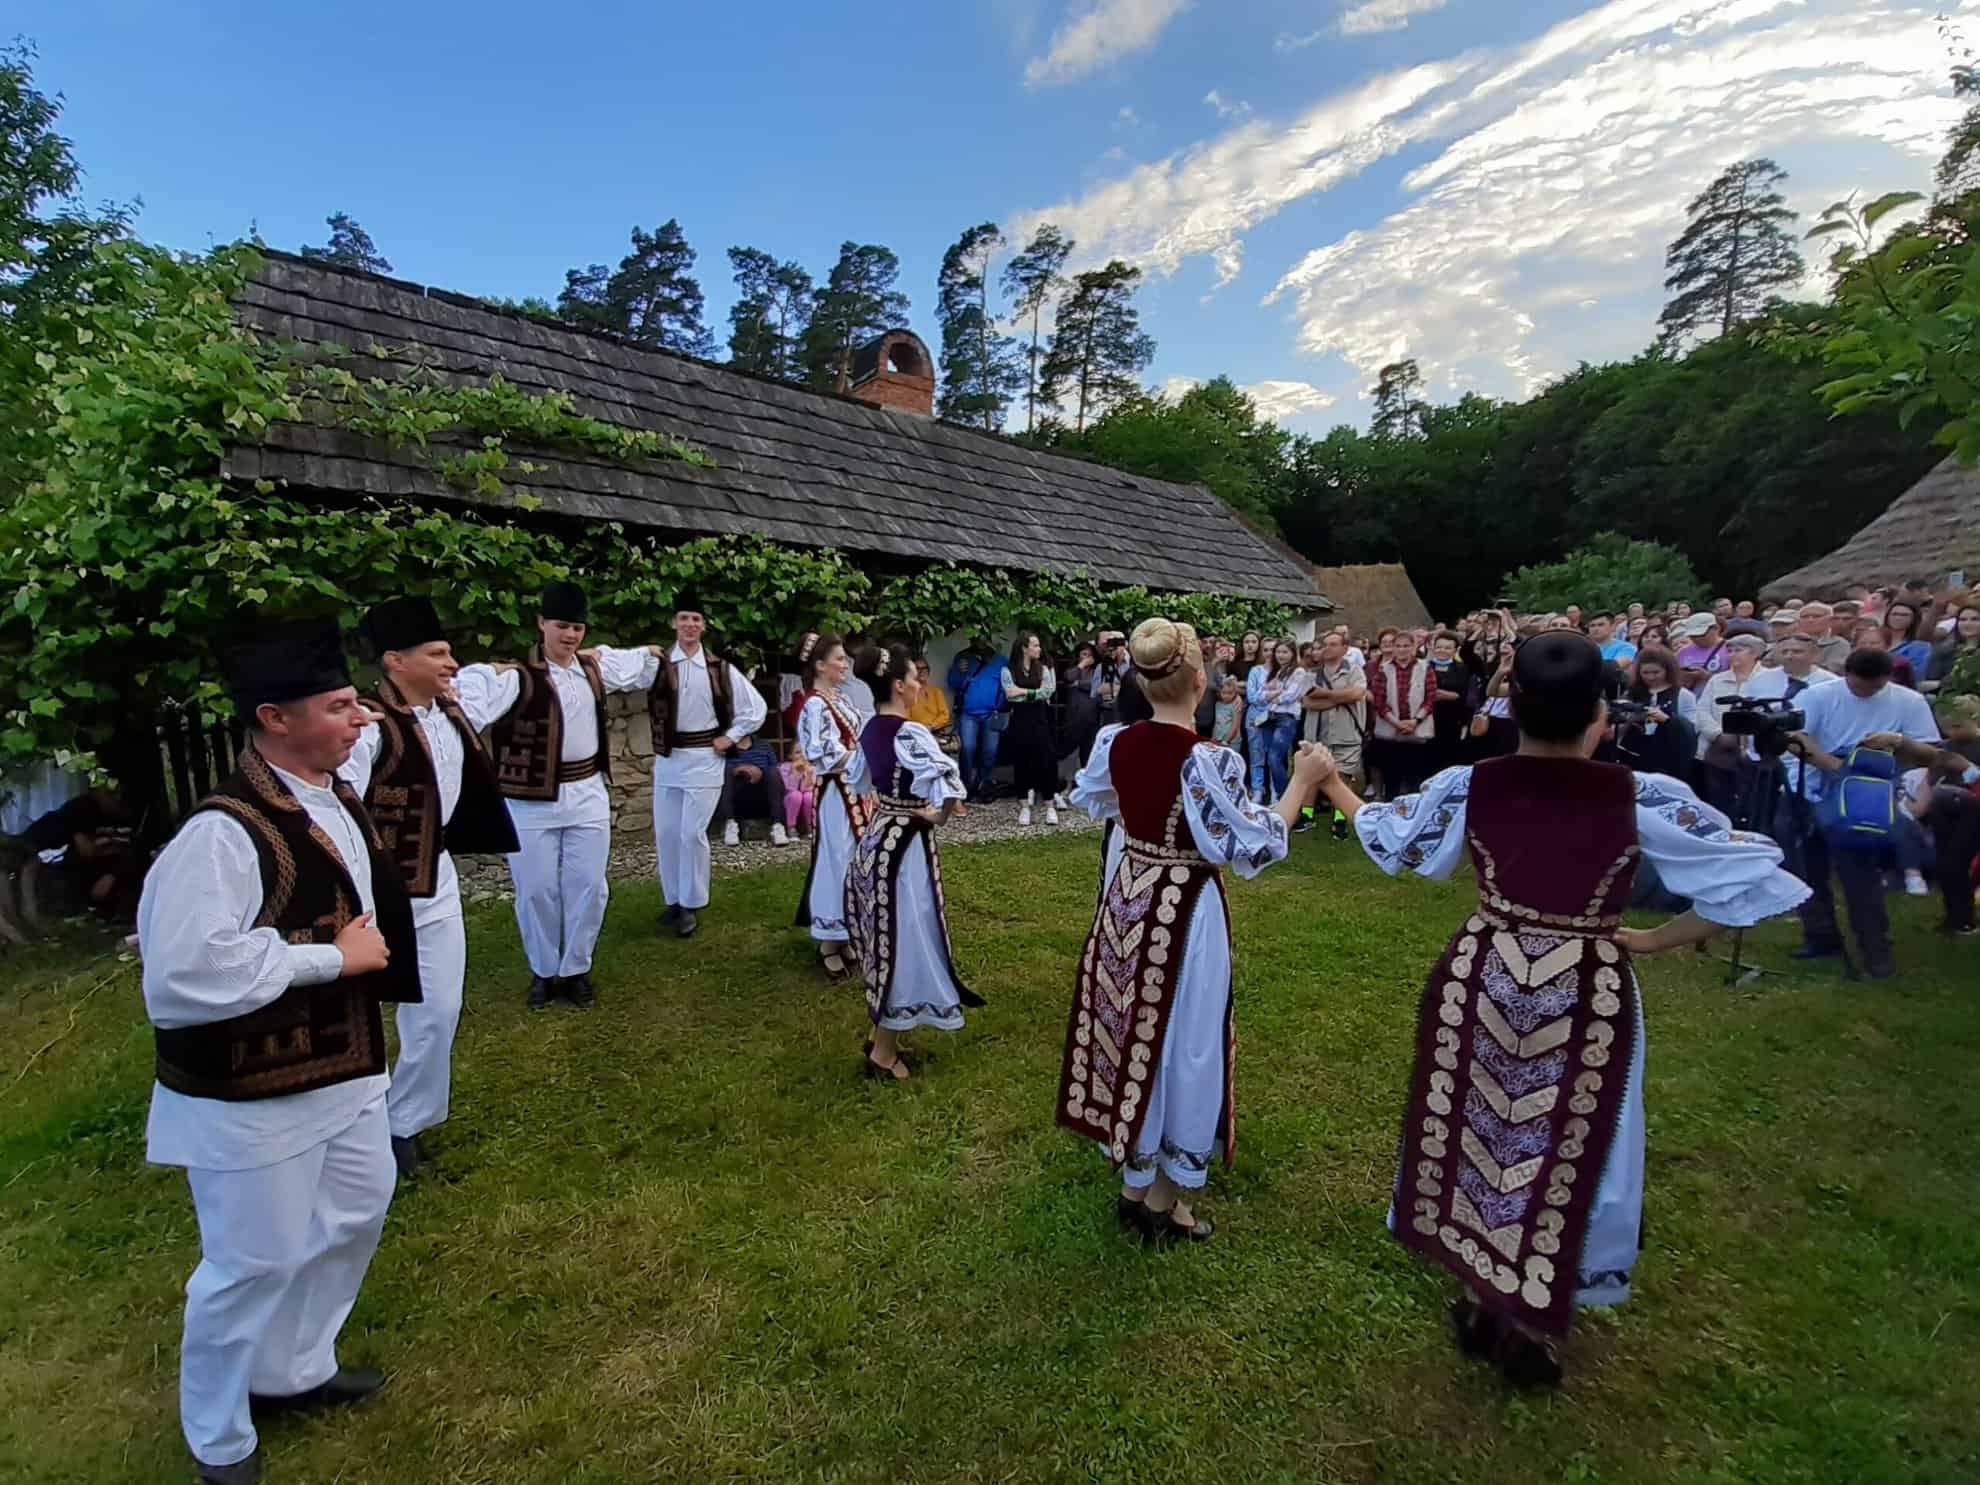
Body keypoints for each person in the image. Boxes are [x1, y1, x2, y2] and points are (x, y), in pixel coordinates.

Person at [1316, 632, 1807, 1385]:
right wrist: (1651, 938)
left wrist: (1333, 785)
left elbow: (1396, 838)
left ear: (1511, 709)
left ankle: (1487, 1292)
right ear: (1601, 717)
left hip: (1485, 972)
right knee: (1574, 1137)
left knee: (1478, 1125)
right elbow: (1753, 882)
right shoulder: (1635, 797)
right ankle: (1536, 1319)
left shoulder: (1472, 784)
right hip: (1586, 980)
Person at [138, 619, 423, 1484]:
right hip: (251, 1096)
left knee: (359, 1207)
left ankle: (294, 1367)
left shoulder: (328, 793)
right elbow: (186, 972)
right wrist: (332, 959)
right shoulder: (219, 834)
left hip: (346, 1070)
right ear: (274, 717)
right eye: (340, 706)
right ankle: (218, 1435)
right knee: (249, 1261)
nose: (360, 718)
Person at [1056, 618, 1331, 1245]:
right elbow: (1251, 843)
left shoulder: (1116, 742)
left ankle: (1135, 1180)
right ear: (1201, 680)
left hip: (1128, 896)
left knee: (1132, 1026)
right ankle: (1162, 1198)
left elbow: (1097, 798)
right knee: (1186, 1036)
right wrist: (1301, 784)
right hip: (1183, 907)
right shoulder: (1208, 760)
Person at [342, 596, 520, 1182]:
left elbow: (505, 677)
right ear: (395, 660)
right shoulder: (367, 728)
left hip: (436, 879)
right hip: (373, 889)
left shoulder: (453, 709)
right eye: (438, 654)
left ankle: (403, 1125)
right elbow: (331, 805)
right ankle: (349, 1130)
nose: (452, 663)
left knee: (438, 1008)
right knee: (359, 1011)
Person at [455, 583, 659, 1010]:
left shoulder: (592, 668)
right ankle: (544, 971)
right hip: (529, 800)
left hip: (586, 792)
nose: (570, 635)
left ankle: (576, 969)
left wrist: (657, 653)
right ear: (541, 624)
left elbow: (636, 663)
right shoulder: (516, 677)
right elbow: (468, 705)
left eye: (577, 627)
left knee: (589, 886)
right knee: (536, 889)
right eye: (562, 626)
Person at [845, 644, 982, 1081]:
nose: (921, 683)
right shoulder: (911, 733)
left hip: (878, 835)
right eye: (915, 678)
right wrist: (936, 813)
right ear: (900, 686)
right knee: (903, 936)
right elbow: (949, 783)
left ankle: (881, 1033)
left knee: (887, 933)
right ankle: (883, 1052)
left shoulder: (870, 728)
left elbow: (858, 778)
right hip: (903, 846)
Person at [1785, 648, 1944, 978]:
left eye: (1872, 688)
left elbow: (1932, 753)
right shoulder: (1819, 695)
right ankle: (1820, 936)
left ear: (1887, 678)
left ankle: (1876, 953)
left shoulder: (1908, 701)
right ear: (1846, 674)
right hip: (1815, 788)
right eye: (1858, 686)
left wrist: (1899, 741)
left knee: (1859, 875)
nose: (1864, 692)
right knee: (1806, 868)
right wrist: (1836, 767)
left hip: (1870, 799)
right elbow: (1793, 735)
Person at [647, 596, 768, 940]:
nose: (690, 625)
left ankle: (691, 903)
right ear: (674, 623)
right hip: (669, 758)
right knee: (668, 833)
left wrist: (729, 737)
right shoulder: (658, 664)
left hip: (704, 758)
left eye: (696, 619)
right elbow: (617, 671)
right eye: (684, 618)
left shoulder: (719, 669)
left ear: (703, 626)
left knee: (690, 832)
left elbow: (755, 708)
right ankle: (672, 900)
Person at [793, 635, 872, 981]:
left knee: (853, 858)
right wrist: (864, 759)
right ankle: (828, 939)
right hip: (837, 793)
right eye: (838, 659)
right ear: (820, 666)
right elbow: (820, 754)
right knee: (836, 859)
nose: (844, 664)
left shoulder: (839, 699)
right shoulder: (814, 705)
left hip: (854, 790)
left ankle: (846, 933)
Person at [1917, 693, 1980, 935]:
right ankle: (1954, 915)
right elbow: (1930, 777)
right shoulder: (1944, 749)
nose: (1953, 732)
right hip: (1944, 809)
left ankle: (1965, 918)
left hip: (1973, 810)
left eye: (1958, 726)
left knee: (1959, 864)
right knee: (1945, 864)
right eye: (1947, 727)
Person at [1302, 630, 1368, 838]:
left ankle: (1340, 819)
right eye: (1324, 645)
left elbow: (1357, 694)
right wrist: (1341, 697)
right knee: (1311, 774)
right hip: (1317, 733)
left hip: (1346, 732)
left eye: (1333, 644)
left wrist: (1326, 695)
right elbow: (1307, 701)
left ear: (1344, 649)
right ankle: (1306, 815)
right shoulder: (1311, 674)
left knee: (1343, 776)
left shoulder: (1355, 671)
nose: (1327, 648)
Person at [1370, 626, 1436, 797]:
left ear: (1414, 647)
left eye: (1406, 646)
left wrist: (1415, 721)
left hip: (1417, 730)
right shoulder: (1383, 669)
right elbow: (1379, 701)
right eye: (1398, 646)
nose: (1402, 650)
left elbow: (1430, 698)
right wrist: (1396, 723)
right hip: (1391, 731)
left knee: (1414, 778)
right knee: (1392, 778)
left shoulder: (1425, 667)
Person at [1004, 631, 1062, 826]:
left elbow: (1047, 691)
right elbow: (1010, 694)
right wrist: (1033, 693)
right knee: (1022, 763)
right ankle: (1024, 808)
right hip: (1020, 722)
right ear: (1024, 648)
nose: (1039, 649)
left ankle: (1050, 807)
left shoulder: (1043, 669)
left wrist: (1023, 691)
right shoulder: (1008, 670)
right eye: (1035, 645)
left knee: (1045, 762)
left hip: (1040, 721)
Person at [1615, 647, 1699, 779]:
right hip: (1633, 755)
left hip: (1668, 757)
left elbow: (1691, 729)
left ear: (1668, 670)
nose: (1651, 677)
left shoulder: (1683, 695)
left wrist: (1667, 720)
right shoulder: (1630, 694)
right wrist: (1631, 719)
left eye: (1656, 672)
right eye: (1645, 673)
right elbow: (1617, 731)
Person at [949, 637, 1009, 800]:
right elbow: (953, 683)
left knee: (990, 751)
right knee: (967, 749)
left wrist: (1000, 706)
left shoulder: (1000, 660)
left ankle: (983, 786)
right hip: (968, 714)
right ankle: (965, 786)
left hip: (992, 713)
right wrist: (961, 673)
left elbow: (1007, 686)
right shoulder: (963, 657)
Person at [710, 733, 788, 847]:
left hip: (762, 799)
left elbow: (777, 776)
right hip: (734, 800)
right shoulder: (724, 746)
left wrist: (759, 771)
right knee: (725, 772)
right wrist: (739, 769)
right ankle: (730, 825)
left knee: (773, 772)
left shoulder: (764, 746)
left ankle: (777, 826)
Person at [1426, 630, 1473, 774]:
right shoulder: (1424, 667)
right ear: (1433, 648)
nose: (1442, 651)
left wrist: (1453, 696)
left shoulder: (1463, 669)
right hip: (1427, 719)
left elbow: (1465, 695)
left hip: (1453, 721)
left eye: (1447, 648)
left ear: (1455, 650)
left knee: (1450, 758)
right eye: (1439, 647)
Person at [1926, 598, 1980, 688]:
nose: (1967, 623)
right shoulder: (1944, 650)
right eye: (1962, 619)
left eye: (1975, 619)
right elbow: (1924, 683)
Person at [1673, 614, 1729, 692]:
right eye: (1692, 636)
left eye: (1701, 634)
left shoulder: (1730, 649)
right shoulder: (1682, 652)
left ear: (1716, 628)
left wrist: (1707, 677)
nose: (1697, 639)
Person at [1794, 602, 1853, 674]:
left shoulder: (1840, 644)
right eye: (1805, 617)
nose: (1810, 620)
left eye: (1816, 616)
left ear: (1830, 620)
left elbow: (1835, 669)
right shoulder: (1788, 643)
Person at [905, 655, 953, 744]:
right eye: (917, 668)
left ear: (928, 670)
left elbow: (944, 714)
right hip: (917, 736)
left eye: (924, 668)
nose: (921, 671)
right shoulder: (908, 694)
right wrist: (922, 728)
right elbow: (907, 719)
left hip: (937, 733)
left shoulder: (936, 692)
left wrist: (931, 726)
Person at [1882, 600, 1934, 675]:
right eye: (1894, 614)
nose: (1898, 618)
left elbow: (1916, 674)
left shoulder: (1921, 647)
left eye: (1904, 615)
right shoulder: (1874, 639)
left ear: (1913, 619)